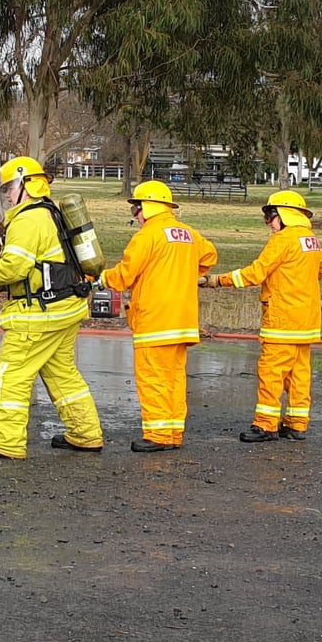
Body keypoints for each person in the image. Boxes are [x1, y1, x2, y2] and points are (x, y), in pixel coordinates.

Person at [0, 156, 105, 459]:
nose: (6, 194)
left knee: (11, 375)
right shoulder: (50, 212)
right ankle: (86, 434)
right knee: (63, 375)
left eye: (9, 187)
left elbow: (14, 268)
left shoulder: (28, 220)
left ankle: (6, 443)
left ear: (26, 185)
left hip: (39, 317)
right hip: (66, 308)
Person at [98, 180, 217, 452]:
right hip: (183, 320)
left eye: (136, 209)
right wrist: (184, 271)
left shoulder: (148, 235)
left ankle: (158, 435)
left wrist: (102, 278)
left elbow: (125, 275)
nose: (135, 216)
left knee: (153, 378)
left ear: (146, 208)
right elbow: (210, 256)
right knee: (174, 378)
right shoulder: (188, 233)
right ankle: (173, 432)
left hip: (155, 319)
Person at [202, 190, 322, 443]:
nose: (268, 222)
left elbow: (255, 273)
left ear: (284, 215)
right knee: (298, 375)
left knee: (271, 373)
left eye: (270, 216)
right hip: (306, 321)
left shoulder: (282, 240)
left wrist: (216, 280)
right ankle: (296, 424)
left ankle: (266, 425)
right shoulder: (310, 239)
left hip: (283, 320)